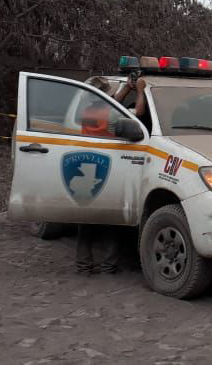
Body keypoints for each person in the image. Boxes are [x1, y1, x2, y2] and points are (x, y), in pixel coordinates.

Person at [74, 75, 132, 275]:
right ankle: (109, 265)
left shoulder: (84, 111)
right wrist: (133, 91)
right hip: (107, 166)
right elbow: (123, 112)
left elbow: (110, 103)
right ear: (105, 95)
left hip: (86, 164)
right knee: (110, 221)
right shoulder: (112, 114)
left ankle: (83, 265)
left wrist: (123, 91)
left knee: (85, 221)